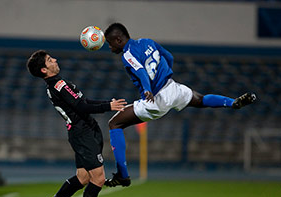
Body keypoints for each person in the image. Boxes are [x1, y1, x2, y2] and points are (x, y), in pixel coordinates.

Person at [103, 23, 257, 187]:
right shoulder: (147, 41)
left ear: (119, 40)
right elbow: (169, 56)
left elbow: (140, 71)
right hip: (173, 88)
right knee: (201, 99)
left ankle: (123, 175)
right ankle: (232, 102)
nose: (110, 47)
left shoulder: (127, 54)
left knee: (114, 123)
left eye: (110, 43)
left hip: (155, 99)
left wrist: (148, 89)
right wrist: (164, 76)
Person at [26, 50, 126, 197]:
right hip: (83, 134)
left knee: (83, 177)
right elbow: (82, 107)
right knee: (98, 178)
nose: (54, 59)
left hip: (83, 131)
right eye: (49, 60)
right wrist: (108, 106)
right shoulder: (59, 84)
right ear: (44, 70)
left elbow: (84, 102)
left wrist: (108, 103)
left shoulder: (54, 85)